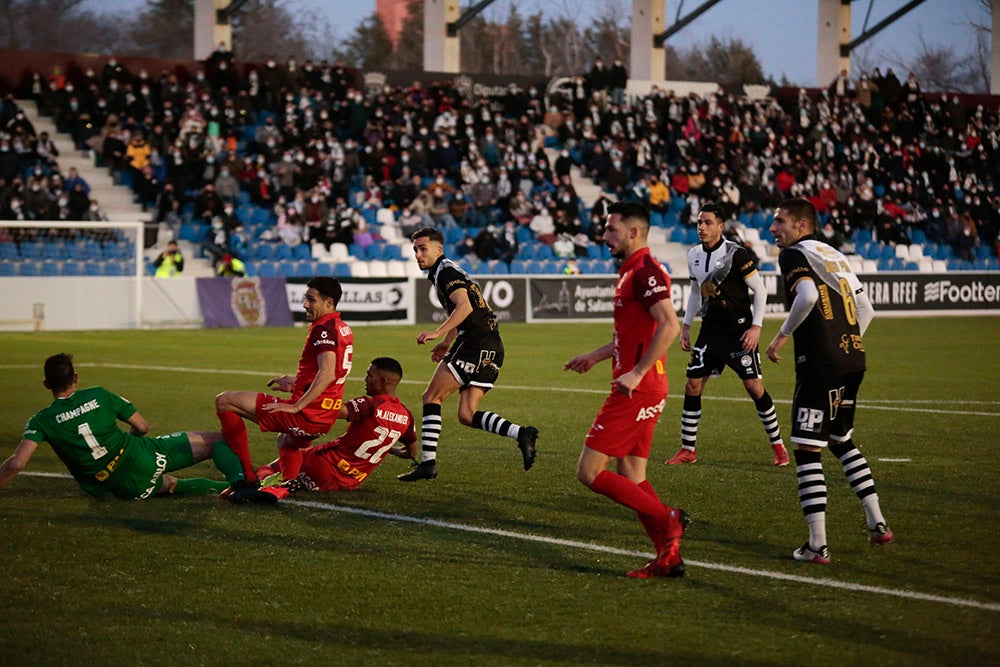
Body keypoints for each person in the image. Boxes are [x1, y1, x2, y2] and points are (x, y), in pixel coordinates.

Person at [765, 198, 892, 565]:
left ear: (802, 225)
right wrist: (846, 345)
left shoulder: (794, 255)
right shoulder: (833, 254)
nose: (774, 228)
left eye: (780, 221)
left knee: (807, 450)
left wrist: (782, 335)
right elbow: (867, 309)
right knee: (840, 439)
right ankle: (877, 523)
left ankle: (817, 546)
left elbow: (805, 295)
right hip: (853, 360)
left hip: (820, 365)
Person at [563, 202, 687, 579]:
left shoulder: (646, 271)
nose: (604, 237)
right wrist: (596, 356)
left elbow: (670, 326)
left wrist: (636, 372)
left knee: (589, 472)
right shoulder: (631, 270)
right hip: (644, 386)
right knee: (633, 475)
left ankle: (669, 518)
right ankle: (667, 555)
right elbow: (631, 334)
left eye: (611, 230)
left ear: (634, 232)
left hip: (638, 389)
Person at [0, 353, 250, 499]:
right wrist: (135, 443)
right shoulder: (98, 395)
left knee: (171, 485)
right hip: (140, 454)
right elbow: (142, 426)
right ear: (75, 378)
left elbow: (17, 463)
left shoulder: (41, 420)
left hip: (116, 486)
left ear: (46, 384)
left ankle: (224, 489)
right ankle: (242, 483)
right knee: (219, 439)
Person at [399, 227, 538, 481]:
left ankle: (428, 463)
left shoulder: (446, 272)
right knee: (466, 414)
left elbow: (465, 306)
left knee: (431, 396)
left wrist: (439, 333)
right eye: (415, 250)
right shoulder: (445, 270)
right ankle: (522, 433)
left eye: (423, 249)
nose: (418, 254)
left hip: (475, 343)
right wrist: (448, 343)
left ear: (439, 250)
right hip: (493, 346)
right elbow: (462, 313)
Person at [666, 203, 789, 466]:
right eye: (699, 222)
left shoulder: (737, 254)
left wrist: (756, 327)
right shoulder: (694, 255)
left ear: (721, 226)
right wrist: (686, 326)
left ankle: (778, 446)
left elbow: (761, 290)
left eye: (708, 222)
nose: (701, 227)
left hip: (738, 332)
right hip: (709, 331)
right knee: (692, 385)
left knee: (754, 387)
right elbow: (696, 293)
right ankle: (688, 449)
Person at [214, 276, 354, 486]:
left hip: (306, 415)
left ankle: (246, 476)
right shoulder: (341, 327)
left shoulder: (322, 329)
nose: (305, 304)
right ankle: (289, 482)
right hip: (325, 417)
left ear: (329, 303)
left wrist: (297, 405)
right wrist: (297, 383)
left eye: (311, 299)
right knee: (287, 442)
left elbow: (327, 373)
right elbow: (333, 372)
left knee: (225, 401)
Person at [231, 358, 418, 504]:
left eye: (370, 375)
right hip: (350, 482)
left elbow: (331, 410)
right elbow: (411, 453)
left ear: (384, 381)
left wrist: (300, 388)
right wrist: (388, 448)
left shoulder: (370, 404)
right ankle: (275, 483)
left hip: (324, 465)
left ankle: (269, 487)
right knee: (286, 463)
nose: (365, 379)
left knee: (279, 452)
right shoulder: (406, 416)